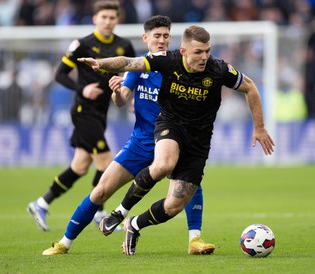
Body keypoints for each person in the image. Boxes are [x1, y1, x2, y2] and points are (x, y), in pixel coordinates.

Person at [78, 24, 275, 255]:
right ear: (183, 51)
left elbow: (250, 87)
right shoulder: (168, 61)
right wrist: (101, 63)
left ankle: (134, 224)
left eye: (207, 51)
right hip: (170, 124)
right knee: (163, 164)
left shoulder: (218, 69)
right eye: (198, 52)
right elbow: (129, 62)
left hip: (199, 140)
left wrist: (260, 127)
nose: (204, 57)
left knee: (174, 205)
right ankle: (119, 212)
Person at [41, 15, 215, 256]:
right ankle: (64, 243)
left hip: (175, 138)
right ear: (146, 38)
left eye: (166, 36)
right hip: (142, 141)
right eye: (157, 36)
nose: (162, 40)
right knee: (101, 190)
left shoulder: (179, 64)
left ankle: (194, 238)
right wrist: (116, 92)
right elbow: (122, 100)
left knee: (190, 183)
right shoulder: (141, 66)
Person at [27, 0, 135, 232]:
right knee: (107, 162)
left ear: (117, 20)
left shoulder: (124, 46)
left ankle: (41, 203)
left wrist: (130, 98)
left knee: (79, 166)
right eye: (103, 17)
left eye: (112, 18)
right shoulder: (83, 44)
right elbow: (60, 75)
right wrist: (82, 89)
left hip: (101, 113)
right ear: (95, 19)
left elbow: (132, 74)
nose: (107, 21)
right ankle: (100, 212)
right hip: (82, 111)